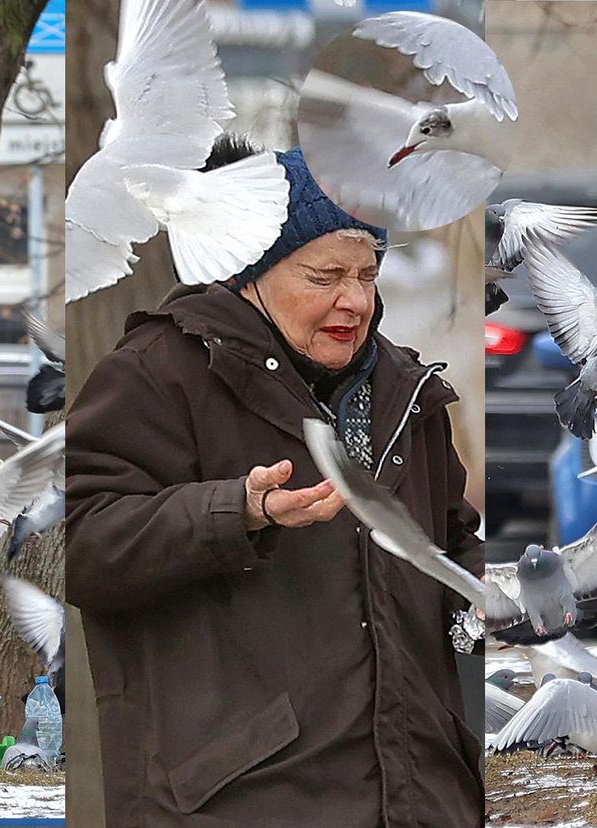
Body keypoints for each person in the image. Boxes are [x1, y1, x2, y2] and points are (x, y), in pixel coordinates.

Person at [66, 142, 484, 827]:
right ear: (248, 273)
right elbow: (78, 545)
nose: (354, 300)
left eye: (367, 274)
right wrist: (235, 511)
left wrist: (487, 603)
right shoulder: (156, 374)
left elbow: (450, 542)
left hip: (419, 797)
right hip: (239, 801)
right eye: (325, 275)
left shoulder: (406, 392)